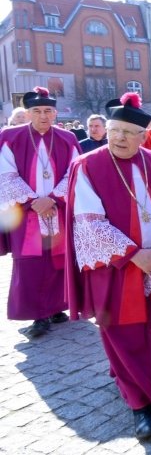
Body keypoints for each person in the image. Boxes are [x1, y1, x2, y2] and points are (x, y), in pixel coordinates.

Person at [65, 93, 151, 440]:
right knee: (120, 330)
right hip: (115, 268)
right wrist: (133, 254)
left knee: (150, 329)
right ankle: (141, 404)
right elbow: (88, 221)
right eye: (114, 130)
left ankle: (132, 373)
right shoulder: (87, 165)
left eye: (127, 133)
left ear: (143, 137)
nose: (118, 137)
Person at [0, 87, 81, 338]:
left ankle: (57, 307)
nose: (43, 116)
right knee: (31, 265)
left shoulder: (68, 139)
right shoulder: (10, 137)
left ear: (55, 113)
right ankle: (38, 315)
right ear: (28, 113)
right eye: (37, 111)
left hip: (59, 208)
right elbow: (6, 174)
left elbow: (76, 173)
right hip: (26, 212)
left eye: (48, 111)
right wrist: (33, 201)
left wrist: (54, 198)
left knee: (59, 260)